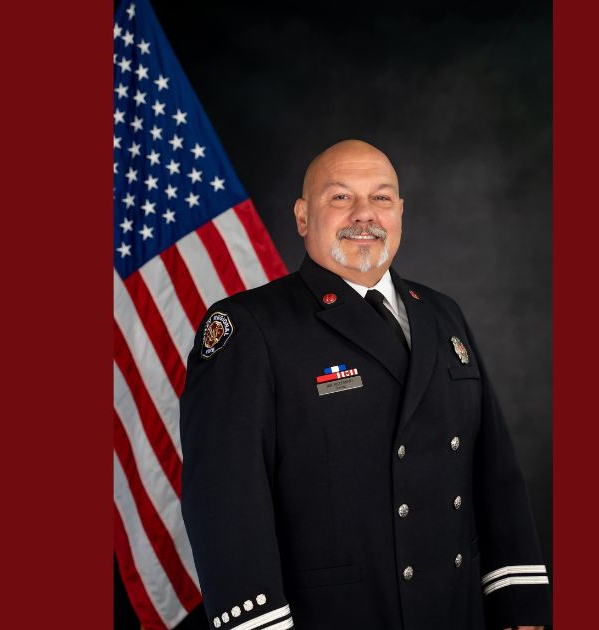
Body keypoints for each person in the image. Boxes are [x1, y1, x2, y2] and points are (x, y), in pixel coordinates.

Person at [180, 140, 551, 630]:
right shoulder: (250, 327)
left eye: (381, 198)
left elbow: (495, 473)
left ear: (399, 212)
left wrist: (520, 607)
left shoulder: (441, 313)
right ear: (302, 217)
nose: (364, 215)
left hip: (457, 611)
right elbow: (225, 505)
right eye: (340, 197)